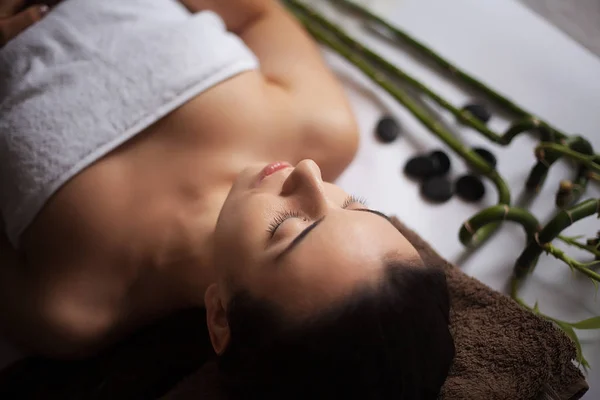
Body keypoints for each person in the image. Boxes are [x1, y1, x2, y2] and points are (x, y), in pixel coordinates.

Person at [0, 0, 455, 398]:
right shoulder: (323, 125)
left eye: (288, 228)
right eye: (353, 203)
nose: (308, 173)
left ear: (221, 319)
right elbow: (256, 12)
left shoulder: (70, 304)